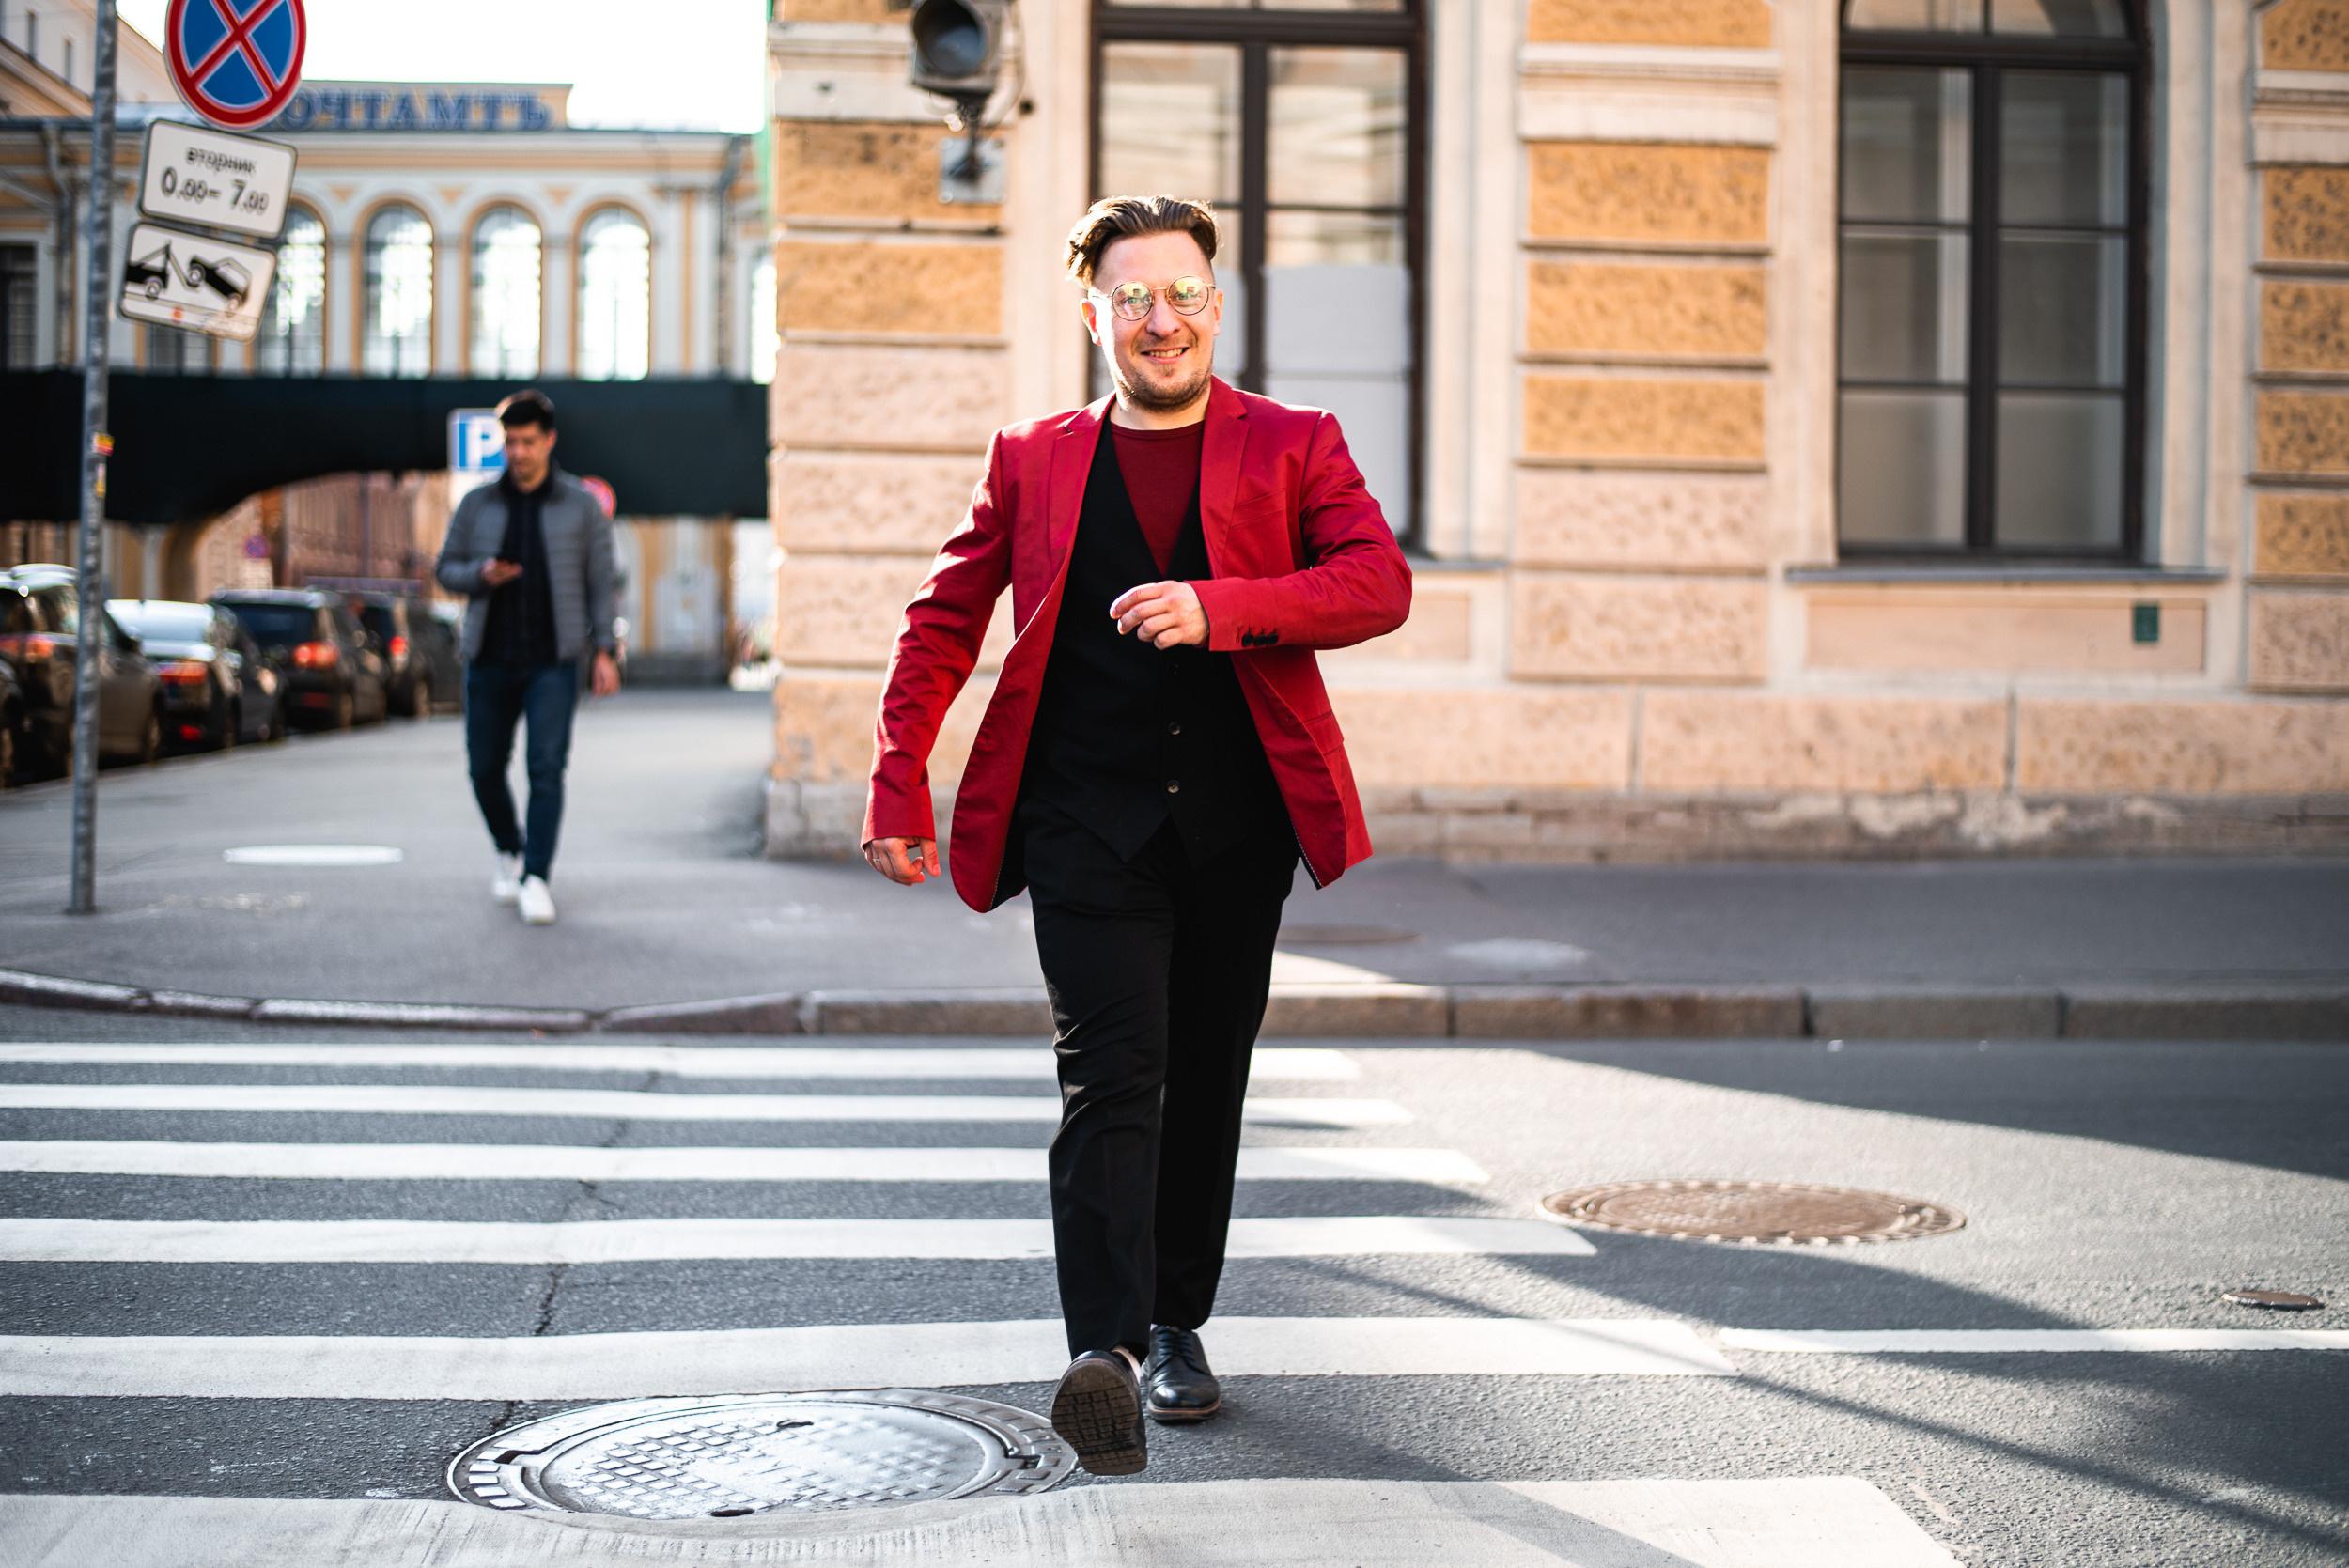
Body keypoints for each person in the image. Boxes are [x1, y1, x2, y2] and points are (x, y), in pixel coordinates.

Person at [860, 195, 1412, 1475]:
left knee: (1205, 1079)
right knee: (1110, 1076)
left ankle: (1176, 1321)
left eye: (1182, 295)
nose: (1159, 321)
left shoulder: (1295, 442)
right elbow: (942, 618)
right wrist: (900, 774)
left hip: (1235, 826)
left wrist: (1222, 608)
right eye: (1131, 299)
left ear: (1214, 304)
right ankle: (1101, 1351)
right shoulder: (1034, 456)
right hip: (1082, 822)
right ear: (1094, 312)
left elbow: (1373, 581)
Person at [433, 390, 620, 926]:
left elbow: (600, 583)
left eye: (527, 441)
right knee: (484, 768)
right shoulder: (478, 504)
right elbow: (446, 569)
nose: (518, 452)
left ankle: (536, 876)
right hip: (488, 658)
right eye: (510, 441)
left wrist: (604, 651)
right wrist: (481, 575)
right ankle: (509, 848)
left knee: (546, 768)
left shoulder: (581, 506)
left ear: (549, 441)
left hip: (553, 662)